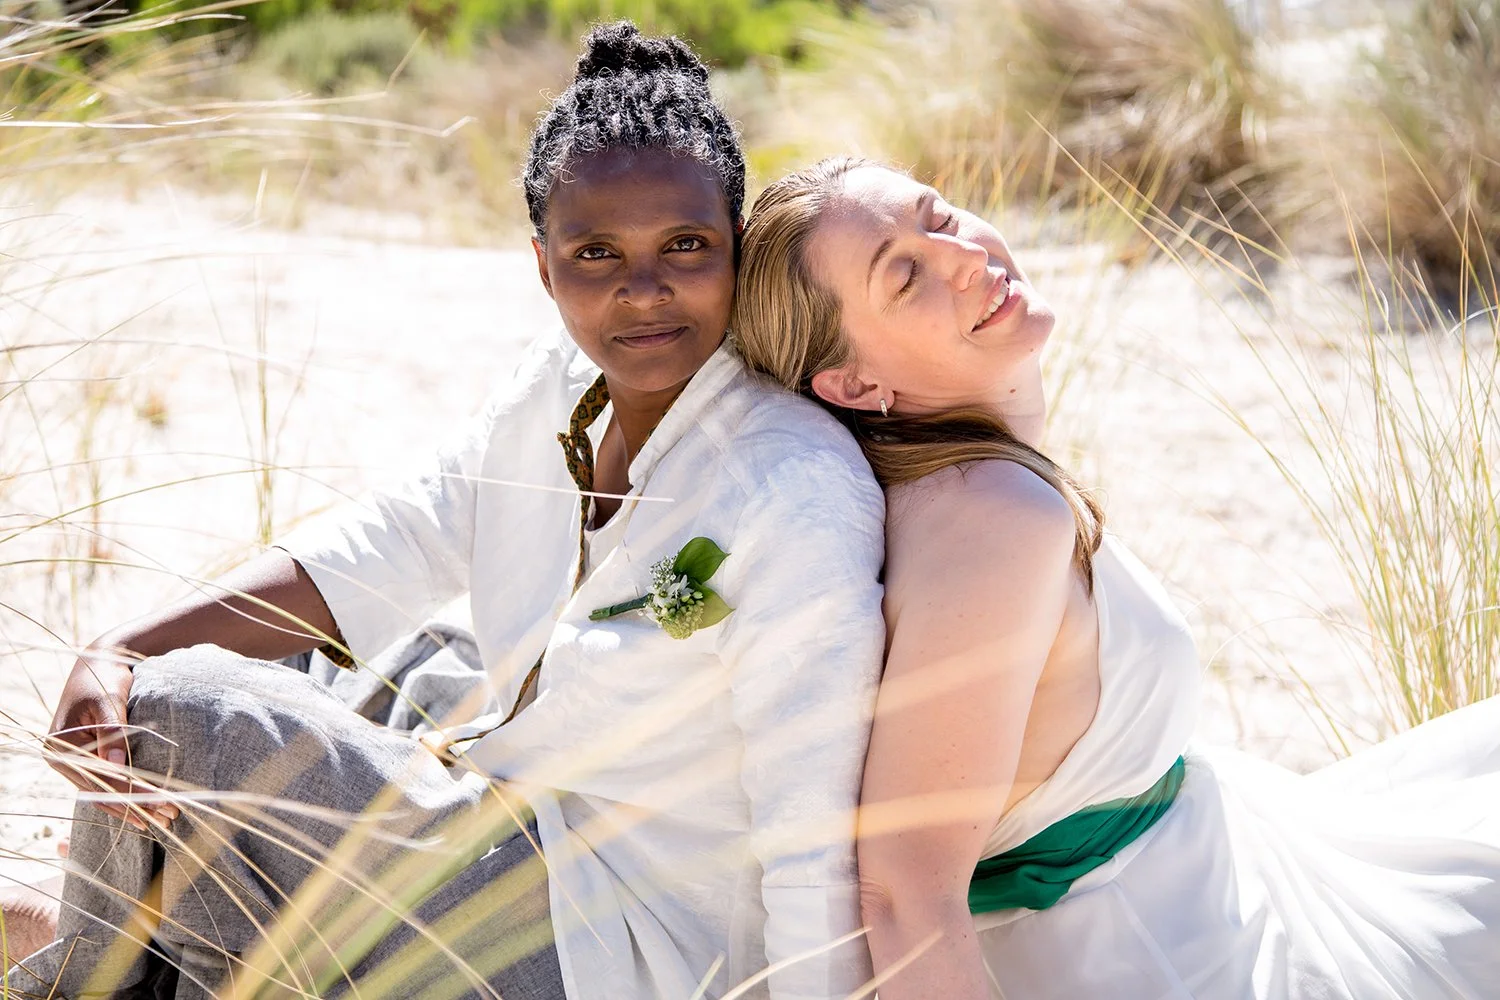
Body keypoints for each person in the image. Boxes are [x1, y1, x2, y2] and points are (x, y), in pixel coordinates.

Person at [5, 30, 884, 1000]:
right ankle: (139, 962)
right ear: (545, 267)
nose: (644, 290)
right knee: (283, 657)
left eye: (686, 246)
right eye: (598, 253)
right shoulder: (561, 385)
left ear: (737, 243)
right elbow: (401, 536)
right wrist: (118, 647)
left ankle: (78, 979)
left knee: (191, 716)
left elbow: (816, 844)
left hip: (624, 948)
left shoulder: (790, 487)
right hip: (525, 813)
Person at [731, 155, 1500, 999]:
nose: (962, 257)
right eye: (905, 277)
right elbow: (905, 890)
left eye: (939, 218)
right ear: (854, 383)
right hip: (1162, 953)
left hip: (1220, 872)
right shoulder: (993, 520)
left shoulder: (965, 482)